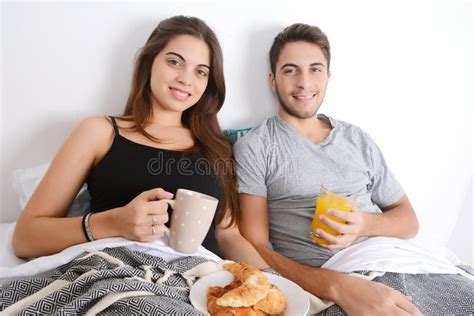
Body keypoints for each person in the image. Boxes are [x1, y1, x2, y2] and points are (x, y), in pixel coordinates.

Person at [234, 23, 473, 315]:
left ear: (328, 76)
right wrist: (337, 285)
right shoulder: (256, 146)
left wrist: (364, 224)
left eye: (315, 69)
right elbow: (256, 245)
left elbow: (408, 220)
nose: (304, 82)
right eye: (290, 70)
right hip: (339, 275)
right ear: (272, 80)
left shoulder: (356, 138)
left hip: (401, 259)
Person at [12, 16, 266, 268]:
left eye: (200, 71)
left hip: (196, 284)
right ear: (149, 62)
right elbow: (25, 238)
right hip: (116, 274)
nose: (186, 79)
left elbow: (228, 235)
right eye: (175, 62)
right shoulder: (100, 132)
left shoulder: (217, 147)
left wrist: (274, 282)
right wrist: (113, 223)